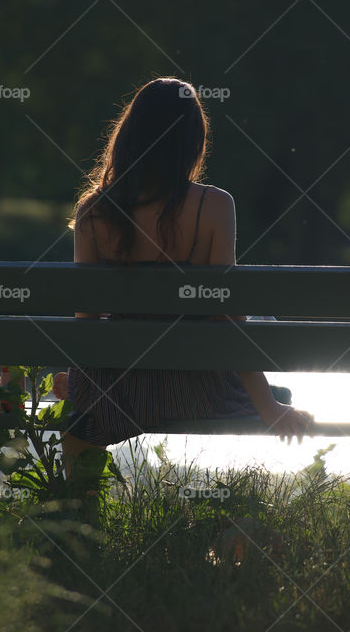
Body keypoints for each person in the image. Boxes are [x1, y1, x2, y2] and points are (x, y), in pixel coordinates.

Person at [55, 77, 314, 473]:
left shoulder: (95, 210)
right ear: (192, 141)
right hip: (195, 390)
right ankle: (260, 393)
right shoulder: (214, 206)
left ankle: (74, 511)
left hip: (117, 393)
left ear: (129, 134)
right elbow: (226, 315)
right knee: (263, 326)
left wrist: (77, 386)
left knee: (81, 405)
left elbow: (85, 323)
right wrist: (267, 406)